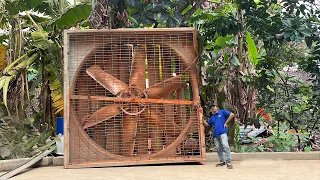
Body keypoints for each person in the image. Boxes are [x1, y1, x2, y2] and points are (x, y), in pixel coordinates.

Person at [208, 104, 235, 169]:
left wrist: (226, 123)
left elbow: (232, 114)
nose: (213, 108)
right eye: (212, 108)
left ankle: (229, 162)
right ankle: (222, 161)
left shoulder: (222, 112)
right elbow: (208, 125)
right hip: (215, 135)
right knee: (218, 148)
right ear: (211, 110)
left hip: (223, 132)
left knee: (225, 146)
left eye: (214, 107)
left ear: (217, 107)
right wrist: (201, 119)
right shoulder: (212, 118)